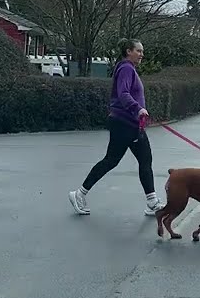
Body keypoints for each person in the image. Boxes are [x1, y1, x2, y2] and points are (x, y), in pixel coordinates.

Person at [69, 38, 163, 217]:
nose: (142, 54)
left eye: (142, 51)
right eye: (139, 50)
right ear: (128, 51)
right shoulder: (126, 68)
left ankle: (151, 201)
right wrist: (138, 108)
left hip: (131, 124)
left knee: (144, 159)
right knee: (112, 160)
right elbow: (123, 94)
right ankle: (79, 194)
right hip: (124, 123)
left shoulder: (128, 68)